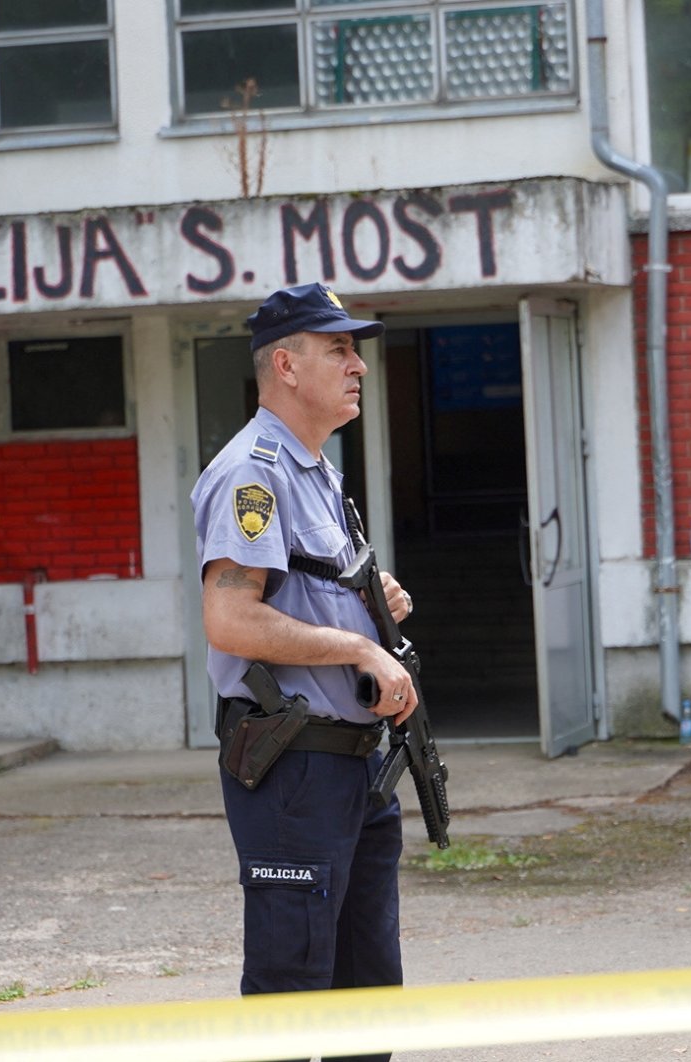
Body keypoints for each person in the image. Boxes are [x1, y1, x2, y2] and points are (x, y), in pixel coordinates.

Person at [190, 282, 418, 1062]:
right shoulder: (252, 475)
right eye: (339, 349)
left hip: (352, 768)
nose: (358, 365)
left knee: (366, 989)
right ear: (285, 365)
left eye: (355, 349)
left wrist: (372, 608)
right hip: (295, 768)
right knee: (293, 987)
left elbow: (302, 590)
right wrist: (358, 650)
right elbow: (230, 617)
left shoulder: (316, 470)